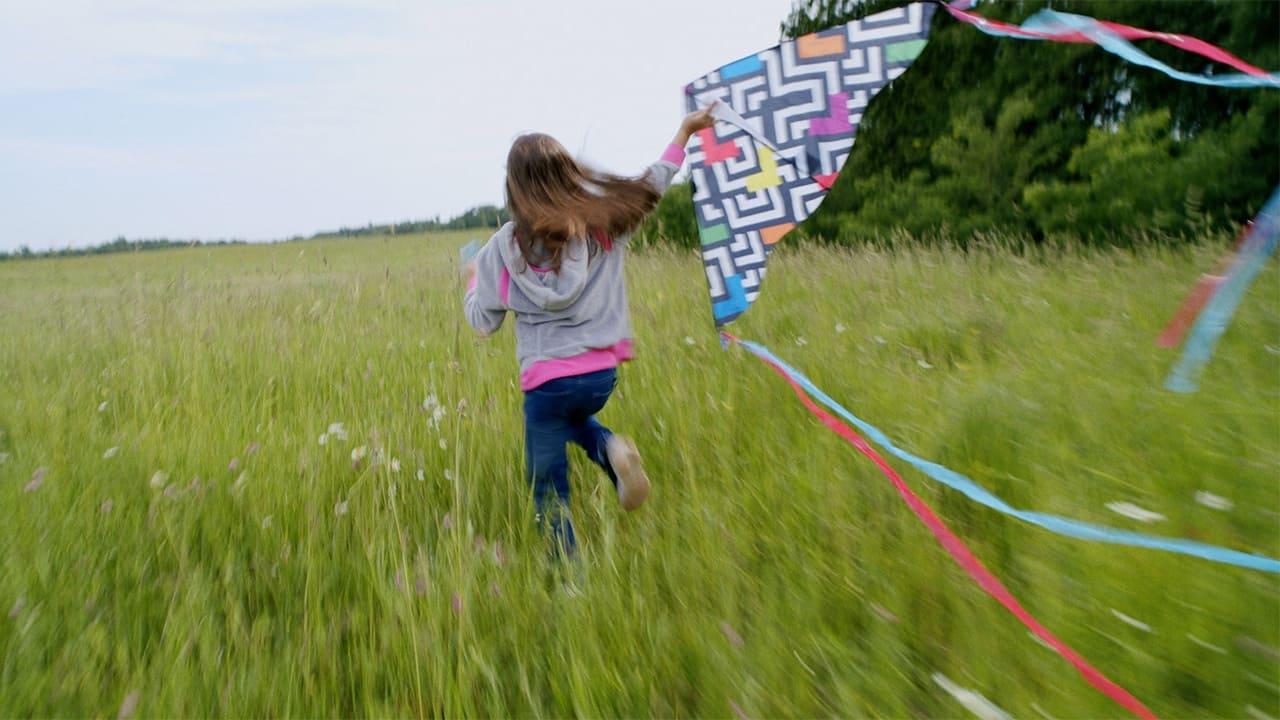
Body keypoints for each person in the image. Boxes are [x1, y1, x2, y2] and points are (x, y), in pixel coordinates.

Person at [463, 108, 715, 557]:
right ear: (567, 175)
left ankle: (569, 582)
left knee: (547, 487)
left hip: (546, 380)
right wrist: (684, 132)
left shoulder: (501, 250)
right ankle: (612, 452)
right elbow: (651, 186)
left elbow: (483, 323)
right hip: (600, 375)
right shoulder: (602, 224)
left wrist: (471, 282)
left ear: (514, 187)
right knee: (572, 419)